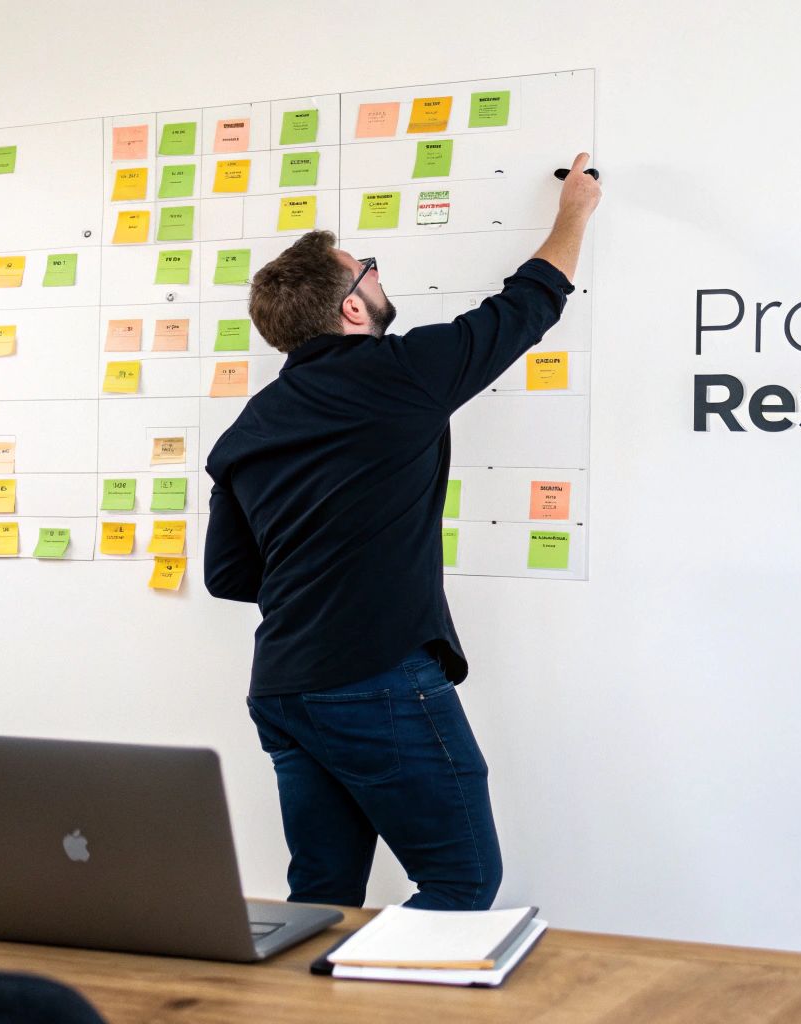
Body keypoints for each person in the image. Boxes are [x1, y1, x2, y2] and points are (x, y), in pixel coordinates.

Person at [203, 153, 602, 910]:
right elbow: (527, 305)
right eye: (370, 269)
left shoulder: (249, 427)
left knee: (320, 895)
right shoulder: (400, 374)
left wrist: (323, 571)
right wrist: (574, 211)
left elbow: (229, 575)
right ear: (353, 307)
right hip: (375, 679)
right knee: (461, 880)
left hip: (284, 689)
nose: (379, 279)